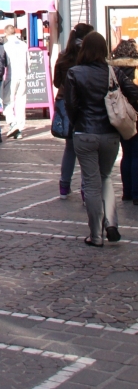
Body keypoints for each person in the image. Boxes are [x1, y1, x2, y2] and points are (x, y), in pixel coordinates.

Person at [64, 31, 138, 246]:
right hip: (110, 134)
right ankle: (112, 223)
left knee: (91, 183)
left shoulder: (74, 73)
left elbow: (71, 105)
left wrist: (78, 122)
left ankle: (96, 235)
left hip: (85, 132)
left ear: (83, 49)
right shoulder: (113, 72)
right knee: (106, 178)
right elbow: (134, 93)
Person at [53, 22, 93, 197]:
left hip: (64, 100)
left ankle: (64, 185)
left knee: (70, 147)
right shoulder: (88, 56)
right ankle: (85, 189)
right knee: (86, 148)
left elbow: (56, 82)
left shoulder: (63, 56)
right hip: (84, 103)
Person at [113, 38, 138, 204]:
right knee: (136, 154)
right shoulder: (135, 70)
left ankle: (127, 192)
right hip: (134, 113)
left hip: (120, 114)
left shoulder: (113, 70)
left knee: (127, 154)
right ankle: (136, 193)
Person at [2, 25, 28, 140]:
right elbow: (28, 62)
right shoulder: (24, 45)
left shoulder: (6, 46)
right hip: (23, 75)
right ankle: (20, 129)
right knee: (21, 102)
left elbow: (5, 63)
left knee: (7, 101)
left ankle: (13, 123)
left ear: (6, 33)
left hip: (11, 76)